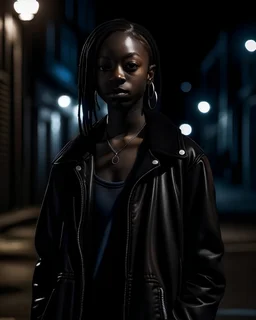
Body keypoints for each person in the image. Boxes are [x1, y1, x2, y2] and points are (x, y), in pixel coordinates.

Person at [30, 18, 226, 320]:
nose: (117, 76)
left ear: (149, 74)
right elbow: (48, 259)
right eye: (105, 67)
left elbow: (206, 269)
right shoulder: (70, 161)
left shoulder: (182, 159)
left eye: (130, 66)